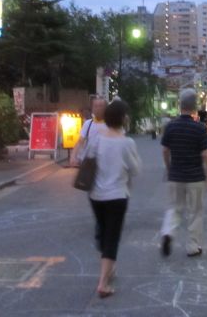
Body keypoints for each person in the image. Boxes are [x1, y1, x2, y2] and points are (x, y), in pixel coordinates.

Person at [88, 99, 141, 298]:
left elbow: (87, 158)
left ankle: (109, 267)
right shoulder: (127, 143)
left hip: (95, 194)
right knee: (112, 236)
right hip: (117, 195)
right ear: (123, 118)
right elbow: (135, 170)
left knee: (103, 232)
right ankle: (103, 282)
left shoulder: (97, 139)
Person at [160, 88, 207, 258]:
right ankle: (193, 246)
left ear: (180, 105)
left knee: (174, 208)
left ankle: (168, 232)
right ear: (194, 107)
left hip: (176, 175)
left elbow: (165, 150)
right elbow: (205, 155)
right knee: (195, 211)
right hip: (195, 176)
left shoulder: (171, 126)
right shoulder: (200, 128)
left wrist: (169, 167)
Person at [71, 96, 107, 166]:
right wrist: (73, 155)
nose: (98, 108)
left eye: (100, 106)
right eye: (95, 106)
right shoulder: (88, 124)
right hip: (88, 162)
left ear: (105, 108)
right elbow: (80, 141)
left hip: (104, 162)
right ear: (92, 109)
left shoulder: (110, 124)